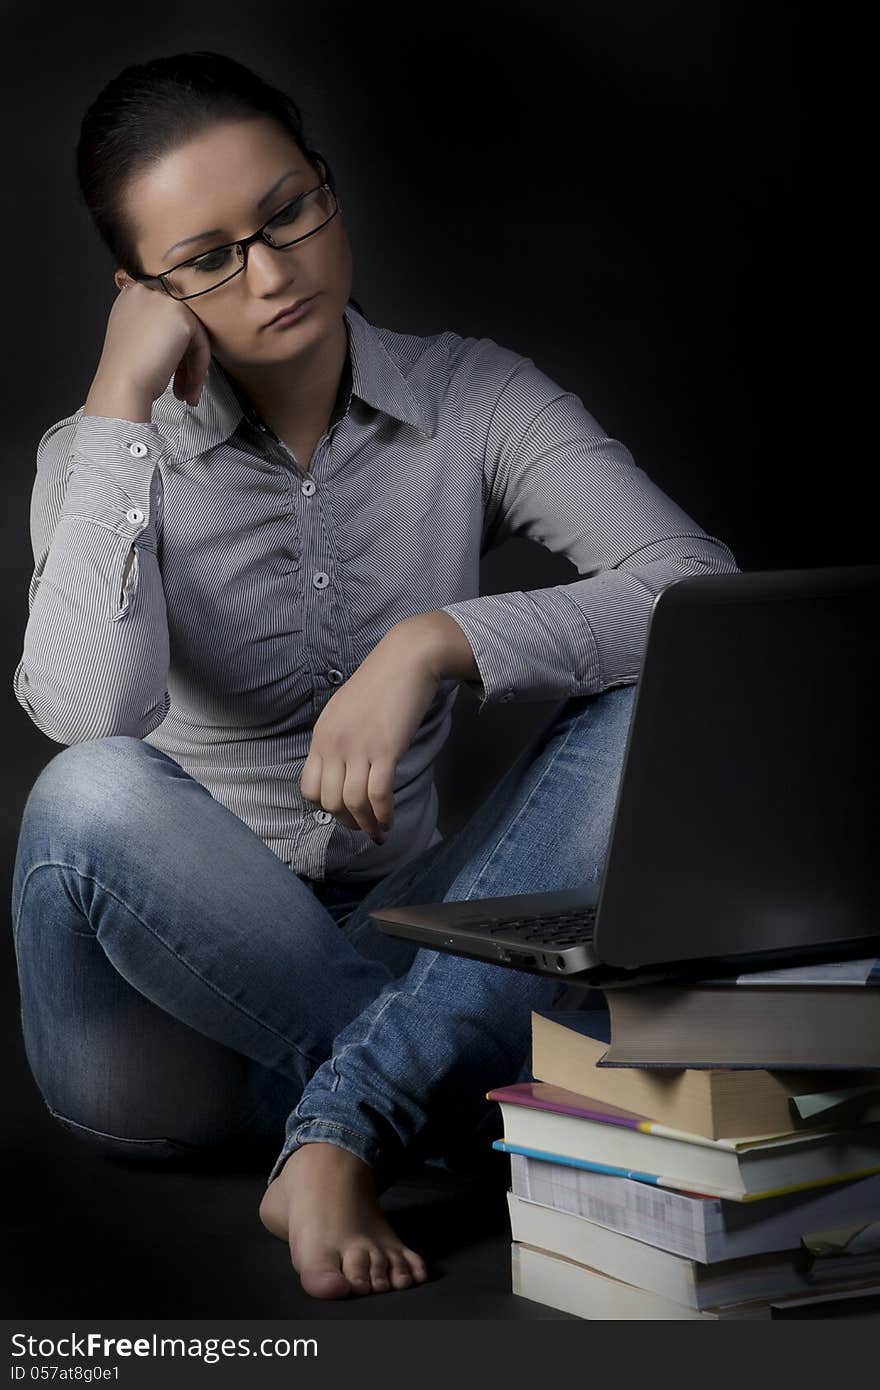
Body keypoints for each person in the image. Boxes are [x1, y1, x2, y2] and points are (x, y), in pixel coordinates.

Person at [10, 51, 740, 1301]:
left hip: (404, 939)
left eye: (288, 210)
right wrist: (118, 399)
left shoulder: (474, 393)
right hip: (166, 1035)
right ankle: (458, 1094)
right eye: (208, 258)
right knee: (91, 795)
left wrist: (439, 639)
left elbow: (699, 590)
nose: (274, 271)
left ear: (327, 188)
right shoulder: (104, 451)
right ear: (142, 288)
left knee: (657, 684)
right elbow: (86, 714)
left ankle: (349, 1125)